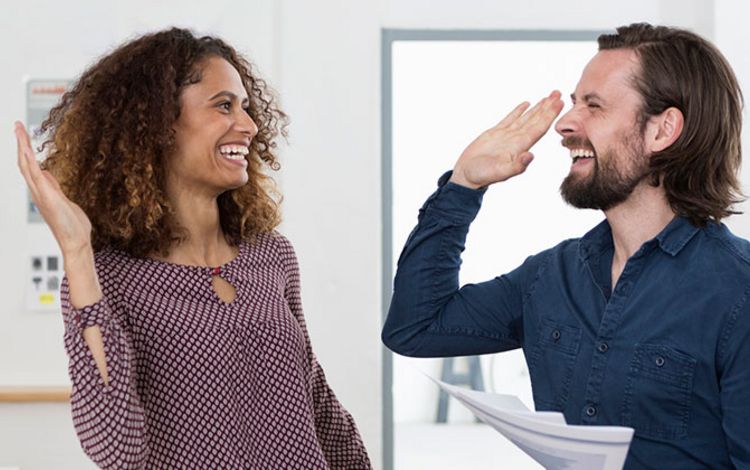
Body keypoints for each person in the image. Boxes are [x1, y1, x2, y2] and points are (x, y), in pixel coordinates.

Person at [382, 22, 749, 469]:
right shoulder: (551, 276)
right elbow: (414, 329)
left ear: (662, 130)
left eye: (593, 105)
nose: (565, 123)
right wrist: (464, 185)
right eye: (575, 103)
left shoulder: (738, 292)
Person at [15, 28, 371, 469]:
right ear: (160, 124)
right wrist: (76, 252)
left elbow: (316, 401)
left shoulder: (272, 256)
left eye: (245, 106)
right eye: (224, 105)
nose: (249, 125)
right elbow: (115, 448)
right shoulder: (102, 278)